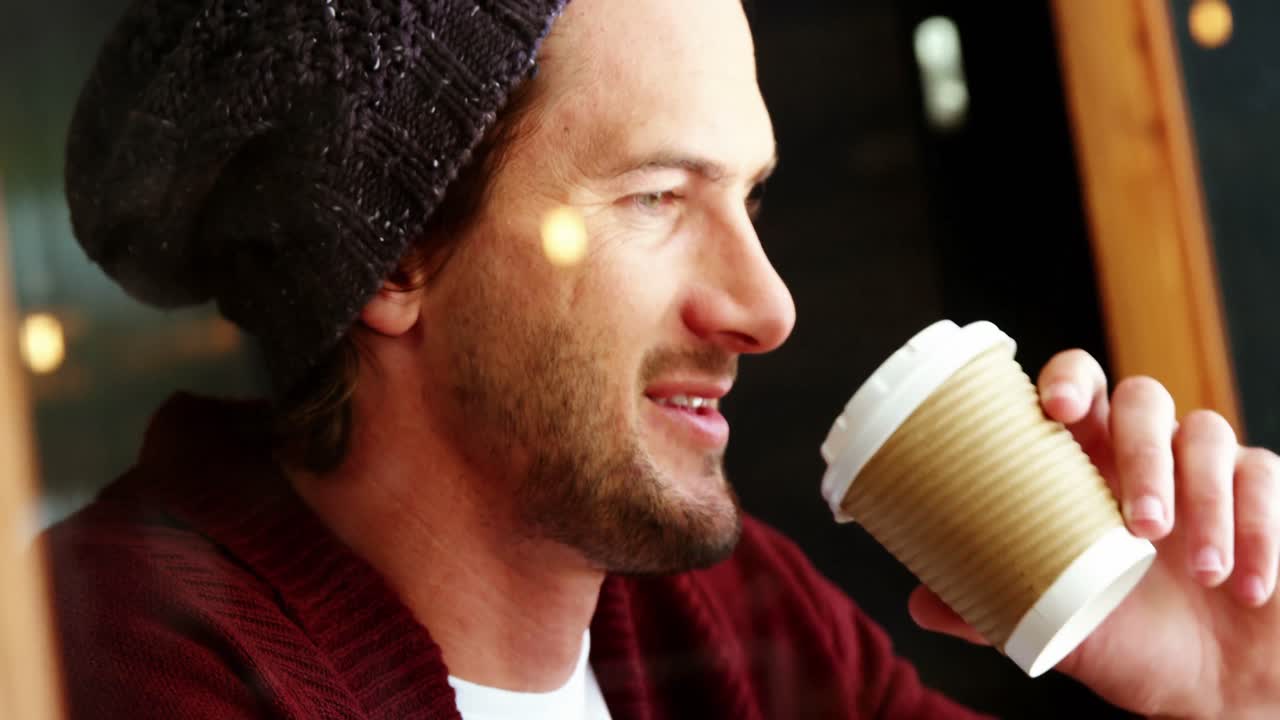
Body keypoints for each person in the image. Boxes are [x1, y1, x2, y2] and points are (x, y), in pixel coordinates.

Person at [49, 0, 1280, 718]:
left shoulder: (730, 618)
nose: (765, 306)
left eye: (748, 198)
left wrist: (1223, 692)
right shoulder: (123, 658)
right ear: (393, 261)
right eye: (653, 198)